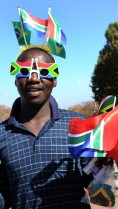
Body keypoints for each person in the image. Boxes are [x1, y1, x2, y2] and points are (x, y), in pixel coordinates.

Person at [0, 47, 93, 209]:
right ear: (15, 80)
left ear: (55, 80)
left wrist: (104, 161)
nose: (34, 78)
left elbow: (95, 180)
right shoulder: (2, 133)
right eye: (23, 71)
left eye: (44, 72)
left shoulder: (78, 124)